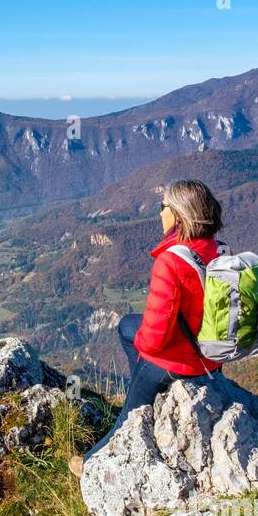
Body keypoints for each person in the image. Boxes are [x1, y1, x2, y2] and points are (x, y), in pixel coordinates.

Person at [69, 179, 224, 477]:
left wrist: (145, 355)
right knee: (126, 325)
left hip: (178, 362)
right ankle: (141, 382)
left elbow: (153, 341)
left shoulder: (172, 262)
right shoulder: (213, 248)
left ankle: (90, 464)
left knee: (130, 412)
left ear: (177, 215)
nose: (159, 213)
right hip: (209, 354)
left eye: (162, 207)